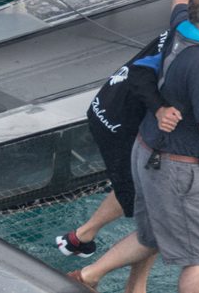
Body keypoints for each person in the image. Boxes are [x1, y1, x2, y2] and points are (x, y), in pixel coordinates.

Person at [69, 0, 199, 293]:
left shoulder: (182, 26)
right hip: (176, 166)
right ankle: (87, 273)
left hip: (147, 151)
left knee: (152, 236)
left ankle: (86, 277)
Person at [56, 31, 171, 293]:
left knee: (140, 190)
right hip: (123, 127)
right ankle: (90, 277)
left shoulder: (188, 17)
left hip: (108, 108)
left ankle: (81, 237)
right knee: (159, 220)